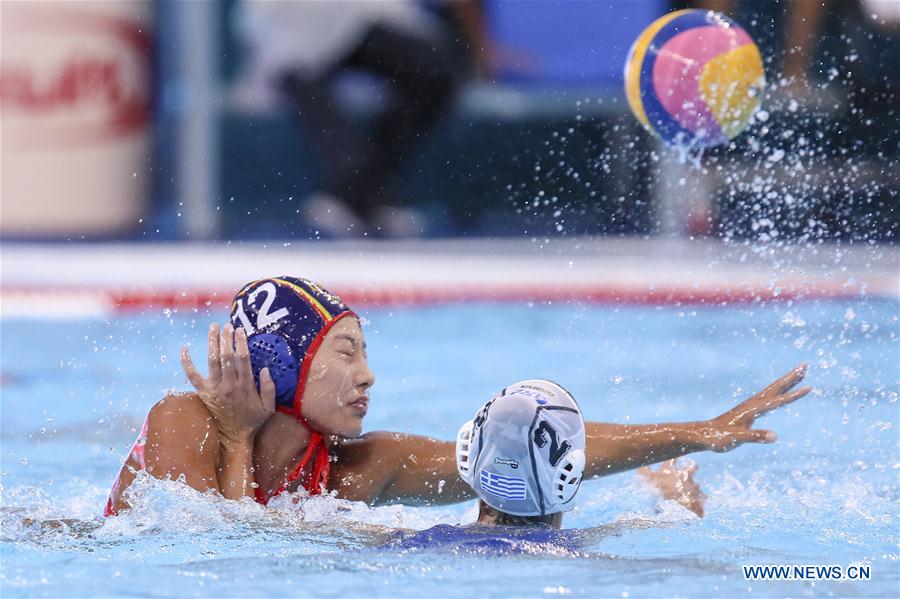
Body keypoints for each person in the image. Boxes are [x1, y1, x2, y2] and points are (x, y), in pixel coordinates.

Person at [105, 276, 809, 516]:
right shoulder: (182, 422)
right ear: (284, 367)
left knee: (502, 531)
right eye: (345, 353)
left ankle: (670, 511)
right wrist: (233, 437)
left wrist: (700, 429)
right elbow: (214, 562)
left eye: (366, 352)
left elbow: (524, 449)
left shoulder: (361, 465)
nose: (369, 375)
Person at [385, 379, 704, 552]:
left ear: (468, 457)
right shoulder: (574, 550)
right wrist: (681, 496)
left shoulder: (417, 541)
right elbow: (684, 532)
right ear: (571, 473)